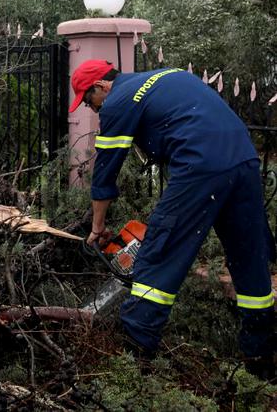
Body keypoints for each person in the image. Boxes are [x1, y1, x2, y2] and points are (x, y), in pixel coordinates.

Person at [70, 59, 275, 376]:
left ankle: (135, 356)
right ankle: (260, 359)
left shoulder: (118, 101)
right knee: (249, 257)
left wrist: (97, 228)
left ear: (100, 87)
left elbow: (105, 174)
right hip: (245, 158)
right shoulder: (169, 75)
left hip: (200, 164)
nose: (92, 109)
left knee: (161, 250)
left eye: (88, 100)